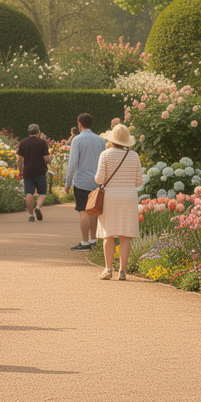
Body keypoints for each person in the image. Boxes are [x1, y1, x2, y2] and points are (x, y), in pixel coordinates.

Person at [94, 124, 143, 280]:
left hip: (110, 197)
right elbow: (138, 181)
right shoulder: (134, 156)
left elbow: (99, 179)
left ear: (112, 139)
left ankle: (108, 269)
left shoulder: (105, 155)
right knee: (125, 236)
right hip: (128, 197)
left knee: (108, 235)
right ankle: (122, 271)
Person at [64, 113, 105, 251]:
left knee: (83, 211)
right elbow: (104, 160)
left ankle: (85, 242)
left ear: (79, 124)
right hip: (97, 181)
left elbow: (73, 163)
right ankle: (94, 239)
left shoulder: (77, 140)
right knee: (94, 210)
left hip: (82, 181)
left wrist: (68, 182)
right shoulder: (100, 140)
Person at [16, 124, 51, 222]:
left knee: (29, 193)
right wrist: (49, 160)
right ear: (38, 132)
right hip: (40, 171)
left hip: (27, 171)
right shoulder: (42, 143)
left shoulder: (23, 142)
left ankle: (31, 215)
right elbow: (46, 159)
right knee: (42, 193)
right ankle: (38, 207)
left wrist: (20, 171)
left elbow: (19, 159)